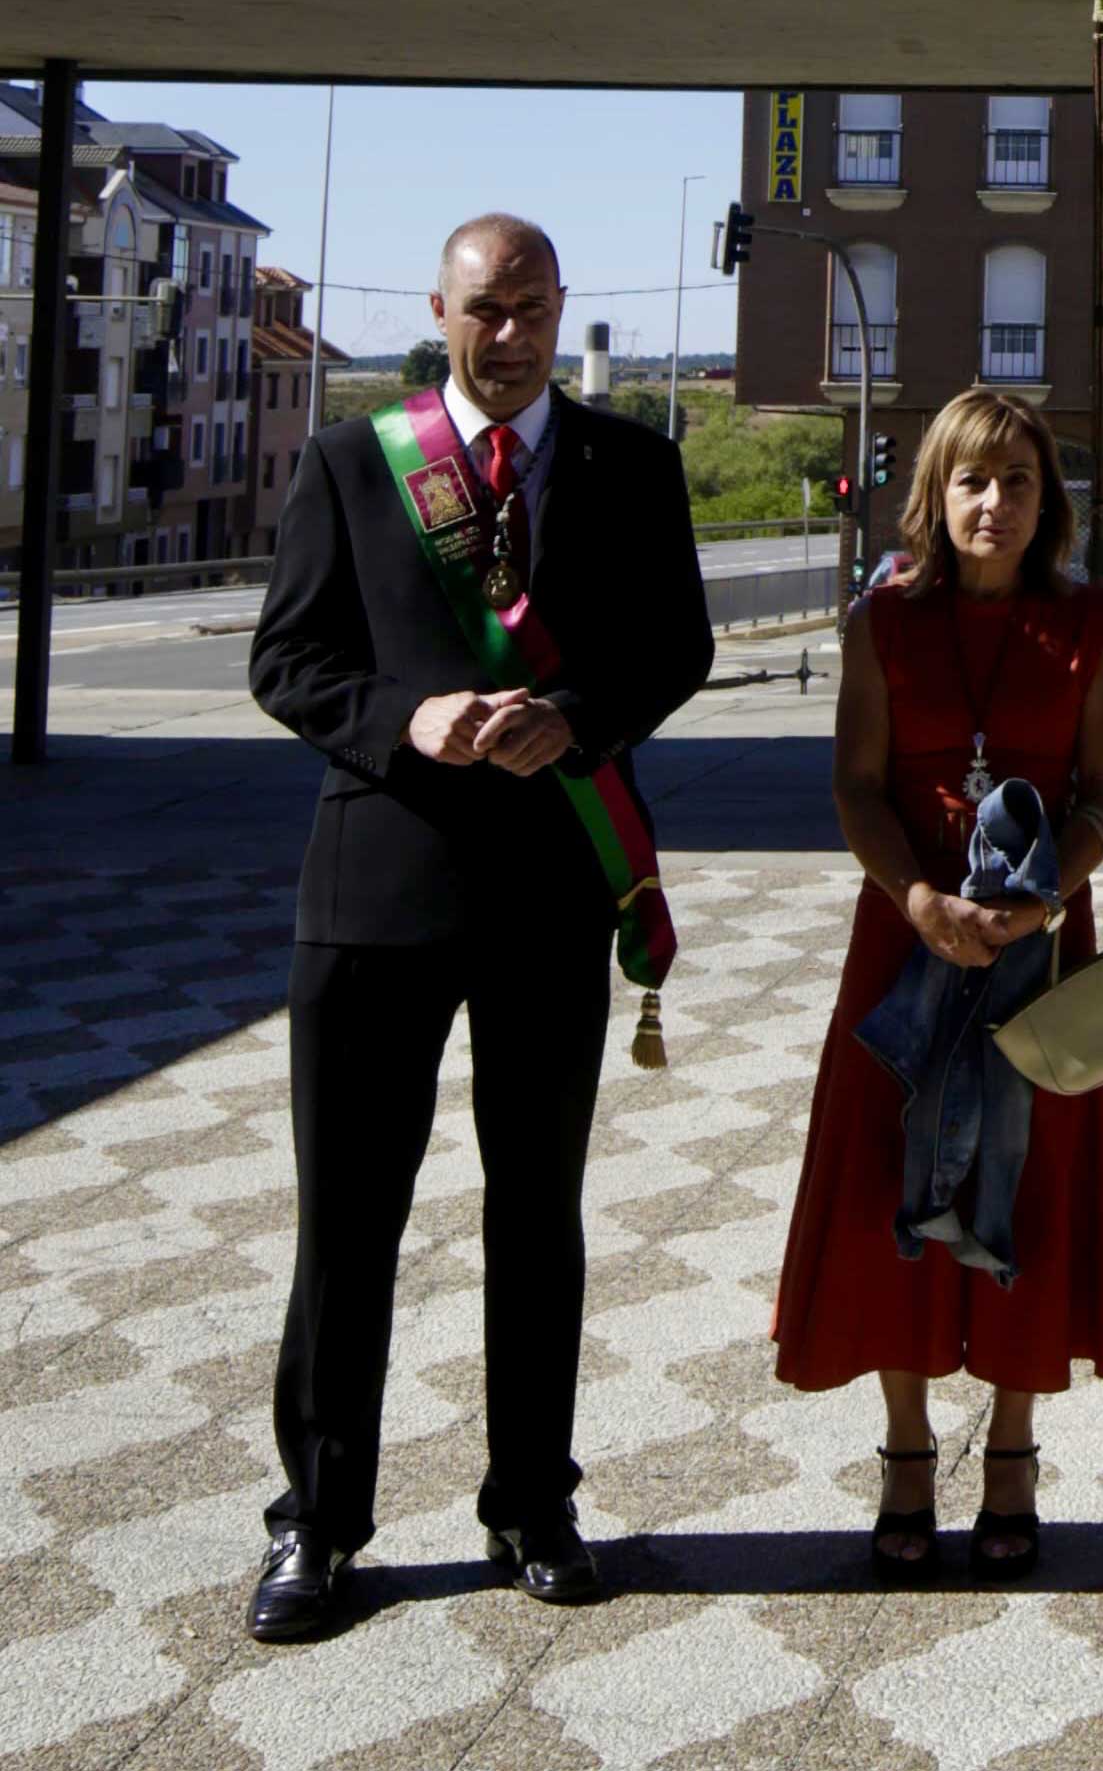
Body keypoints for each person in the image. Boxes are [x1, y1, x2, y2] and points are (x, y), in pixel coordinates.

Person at [245, 213, 712, 1641]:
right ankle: (317, 1521)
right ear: (437, 313)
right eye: (480, 310)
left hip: (550, 892)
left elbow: (673, 645)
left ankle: (532, 1499)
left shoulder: (631, 463)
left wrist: (575, 714)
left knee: (536, 1213)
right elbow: (290, 657)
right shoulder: (350, 462)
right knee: (349, 1220)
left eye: (528, 309)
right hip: (375, 893)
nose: (505, 335)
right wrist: (411, 717)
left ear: (562, 308)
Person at [771, 389, 1103, 1580]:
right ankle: (906, 1448)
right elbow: (856, 785)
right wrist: (920, 904)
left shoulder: (1089, 620)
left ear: (1049, 500)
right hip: (905, 938)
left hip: (1039, 948)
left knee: (1029, 1176)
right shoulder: (882, 621)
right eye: (972, 481)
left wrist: (1040, 902)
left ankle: (1016, 1453)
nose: (995, 503)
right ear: (934, 493)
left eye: (1018, 481)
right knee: (897, 1182)